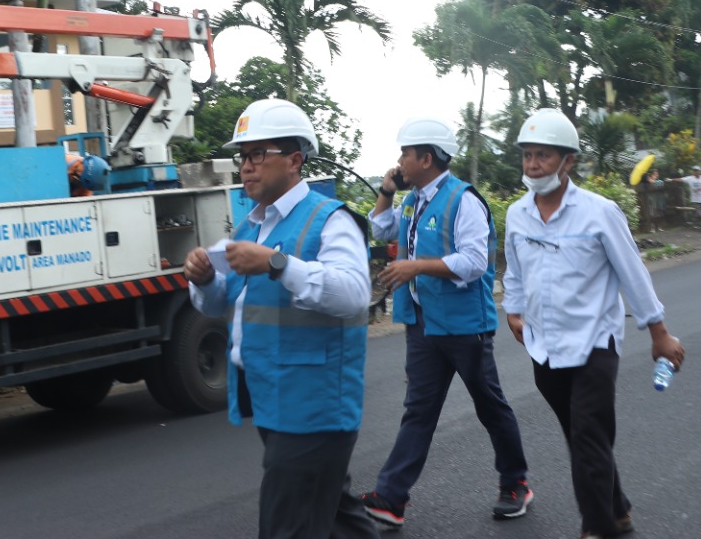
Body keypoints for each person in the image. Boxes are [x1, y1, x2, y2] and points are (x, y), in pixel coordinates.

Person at [183, 98, 378, 539]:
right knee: (333, 515)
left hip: (314, 406)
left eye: (257, 154)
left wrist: (277, 264)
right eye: (242, 156)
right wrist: (204, 281)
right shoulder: (251, 226)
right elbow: (221, 307)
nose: (246, 166)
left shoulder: (330, 220)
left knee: (286, 526)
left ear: (294, 160)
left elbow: (354, 294)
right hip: (273, 399)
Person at [503, 108, 685, 539]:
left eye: (543, 156)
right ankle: (617, 509)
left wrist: (659, 333)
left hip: (593, 345)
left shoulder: (598, 212)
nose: (532, 165)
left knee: (587, 436)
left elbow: (633, 274)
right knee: (584, 436)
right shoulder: (517, 214)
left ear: (568, 161)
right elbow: (513, 269)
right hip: (543, 346)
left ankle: (598, 528)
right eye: (527, 156)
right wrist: (512, 310)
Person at [359, 116, 531, 529]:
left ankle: (515, 483)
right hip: (422, 324)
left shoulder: (463, 200)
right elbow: (379, 226)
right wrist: (386, 190)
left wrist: (416, 267)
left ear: (427, 158)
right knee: (418, 410)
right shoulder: (412, 200)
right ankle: (391, 497)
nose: (399, 160)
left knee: (489, 405)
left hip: (463, 326)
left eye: (405, 153)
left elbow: (474, 263)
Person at [673, 165, 701, 230]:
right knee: (699, 213)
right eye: (695, 171)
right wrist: (671, 179)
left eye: (697, 171)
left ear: (700, 172)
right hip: (696, 200)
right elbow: (681, 179)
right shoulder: (690, 178)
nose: (696, 172)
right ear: (693, 172)